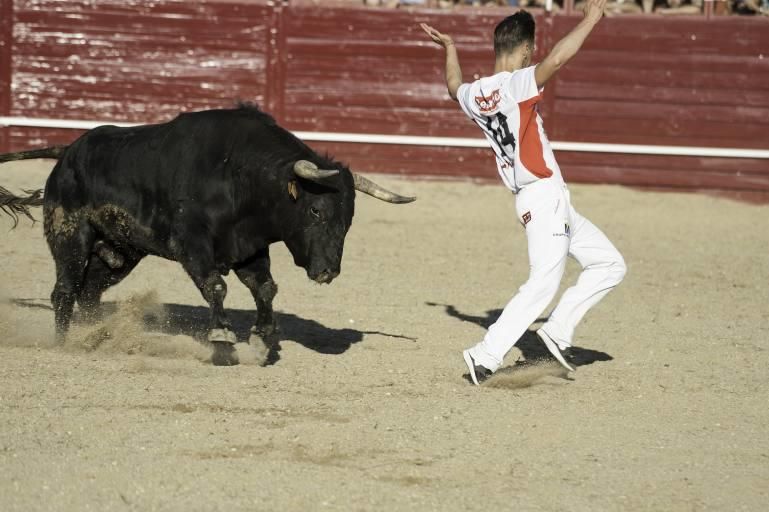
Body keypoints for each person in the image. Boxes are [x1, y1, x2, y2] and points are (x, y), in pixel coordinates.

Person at [420, 0, 627, 385]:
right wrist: (592, 18)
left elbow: (453, 88)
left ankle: (557, 331)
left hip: (549, 199)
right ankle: (485, 355)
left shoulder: (476, 93)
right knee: (543, 282)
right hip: (542, 195)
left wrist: (450, 48)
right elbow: (560, 59)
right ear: (527, 50)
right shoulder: (517, 84)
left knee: (610, 264)